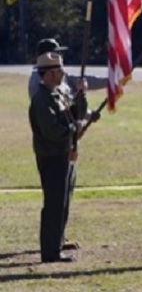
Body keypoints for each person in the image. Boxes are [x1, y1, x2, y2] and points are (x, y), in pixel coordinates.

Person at [27, 39, 106, 255]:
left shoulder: (57, 92)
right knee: (54, 203)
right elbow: (51, 130)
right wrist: (73, 129)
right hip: (52, 155)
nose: (63, 73)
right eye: (59, 69)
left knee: (62, 200)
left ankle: (58, 241)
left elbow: (74, 112)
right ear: (49, 72)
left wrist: (82, 94)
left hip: (64, 152)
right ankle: (51, 251)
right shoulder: (42, 97)